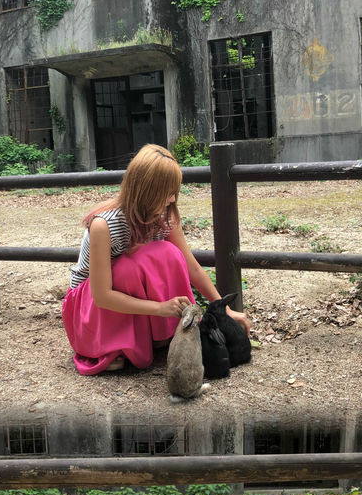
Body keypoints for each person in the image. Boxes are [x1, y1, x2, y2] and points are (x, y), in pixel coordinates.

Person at [62, 143, 250, 375]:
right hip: (90, 308)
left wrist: (223, 308)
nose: (172, 199)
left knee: (168, 253)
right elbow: (101, 296)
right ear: (146, 191)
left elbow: (192, 267)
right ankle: (110, 347)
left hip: (124, 301)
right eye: (167, 192)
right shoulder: (104, 224)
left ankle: (155, 336)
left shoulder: (163, 217)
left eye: (174, 192)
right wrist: (160, 308)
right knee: (126, 268)